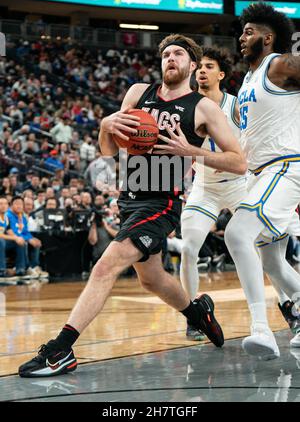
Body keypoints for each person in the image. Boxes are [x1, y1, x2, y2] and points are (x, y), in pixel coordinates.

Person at [19, 34, 246, 377]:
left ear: (192, 64)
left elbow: (238, 162)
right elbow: (109, 150)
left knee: (104, 267)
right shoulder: (139, 93)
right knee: (152, 279)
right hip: (130, 199)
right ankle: (198, 313)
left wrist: (192, 151)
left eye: (179, 54)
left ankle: (61, 350)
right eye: (166, 54)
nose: (171, 58)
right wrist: (104, 125)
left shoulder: (203, 107)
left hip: (161, 203)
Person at [224, 3, 300, 359]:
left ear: (268, 38)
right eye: (242, 32)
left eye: (249, 32)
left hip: (286, 167)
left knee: (237, 234)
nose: (242, 37)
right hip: (260, 176)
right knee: (271, 261)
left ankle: (261, 329)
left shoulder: (281, 64)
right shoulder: (247, 83)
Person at [180, 47, 248, 340]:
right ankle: (194, 316)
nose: (202, 70)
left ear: (221, 74)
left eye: (209, 66)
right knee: (187, 248)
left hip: (239, 185)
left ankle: (287, 306)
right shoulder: (186, 106)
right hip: (204, 188)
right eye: (200, 66)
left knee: (264, 247)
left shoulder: (236, 106)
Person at [0, 196, 27, 279]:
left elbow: (9, 231)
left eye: (5, 204)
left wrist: (18, 238)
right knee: (1, 241)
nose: (3, 206)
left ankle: (20, 269)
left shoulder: (6, 217)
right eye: (1, 204)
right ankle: (1, 270)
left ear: (8, 206)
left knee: (20, 242)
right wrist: (15, 238)